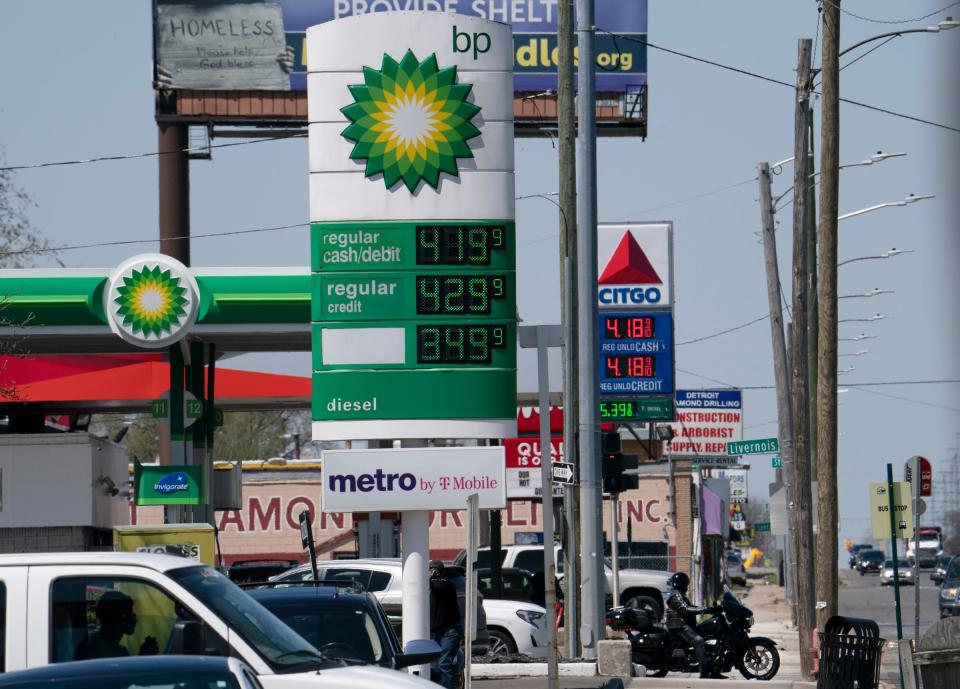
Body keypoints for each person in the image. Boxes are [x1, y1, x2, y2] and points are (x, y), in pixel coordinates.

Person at [664, 572, 720, 679]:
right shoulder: (675, 595)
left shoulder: (678, 594)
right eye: (686, 584)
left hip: (683, 625)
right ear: (683, 584)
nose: (686, 586)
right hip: (679, 626)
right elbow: (686, 609)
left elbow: (691, 606)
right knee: (699, 641)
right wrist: (705, 610)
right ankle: (704, 672)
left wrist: (710, 609)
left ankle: (713, 669)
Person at [75, 591, 159, 660]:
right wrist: (143, 656)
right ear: (115, 616)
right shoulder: (93, 650)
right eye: (128, 613)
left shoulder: (121, 651)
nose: (134, 618)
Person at [428, 560, 463, 689]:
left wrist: (435, 576)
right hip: (438, 632)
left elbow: (439, 585)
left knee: (444, 664)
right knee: (436, 666)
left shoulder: (446, 584)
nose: (429, 573)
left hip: (450, 631)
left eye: (431, 569)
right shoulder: (433, 586)